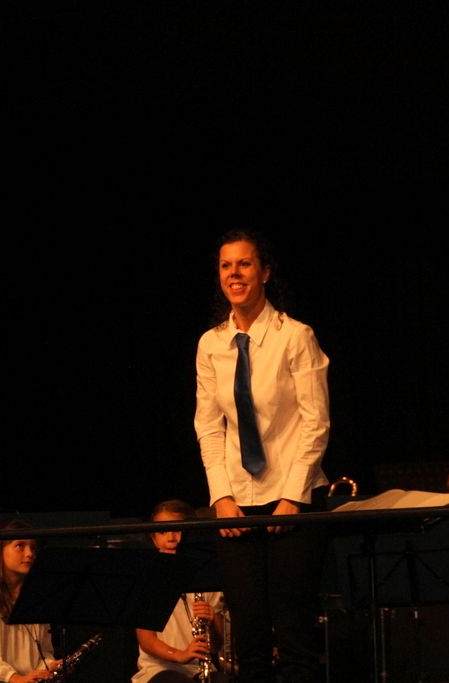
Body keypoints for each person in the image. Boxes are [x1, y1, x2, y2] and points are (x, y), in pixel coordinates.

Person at [194, 229, 331, 683]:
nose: (234, 274)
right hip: (237, 503)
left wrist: (292, 496)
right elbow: (208, 427)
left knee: (295, 639)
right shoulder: (211, 344)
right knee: (248, 642)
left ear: (265, 272)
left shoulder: (295, 336)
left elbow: (315, 422)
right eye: (226, 265)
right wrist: (221, 497)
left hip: (293, 500)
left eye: (244, 264)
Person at [133, 500, 225, 683]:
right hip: (159, 670)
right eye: (163, 532)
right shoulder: (148, 579)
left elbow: (215, 646)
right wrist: (180, 655)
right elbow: (146, 639)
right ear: (154, 538)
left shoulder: (206, 578)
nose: (171, 538)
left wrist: (212, 621)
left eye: (177, 530)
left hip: (200, 668)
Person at [0, 519, 61, 683]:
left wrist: (49, 667)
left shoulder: (36, 599)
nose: (29, 554)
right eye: (20, 546)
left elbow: (44, 651)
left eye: (33, 548)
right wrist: (15, 678)